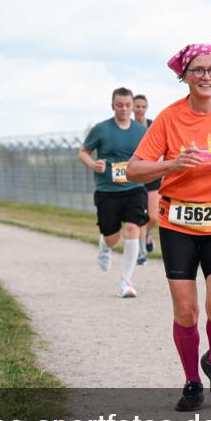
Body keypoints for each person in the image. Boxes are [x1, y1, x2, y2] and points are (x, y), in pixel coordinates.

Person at [127, 43, 211, 412]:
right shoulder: (169, 119)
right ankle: (191, 382)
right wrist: (172, 165)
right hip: (178, 222)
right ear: (184, 76)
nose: (207, 76)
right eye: (198, 70)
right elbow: (134, 168)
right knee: (186, 312)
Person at [77, 87, 149, 298]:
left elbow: (149, 155)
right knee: (112, 238)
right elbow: (83, 153)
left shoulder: (140, 131)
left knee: (132, 229)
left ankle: (125, 282)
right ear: (112, 106)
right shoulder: (101, 129)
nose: (124, 109)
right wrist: (93, 164)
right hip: (107, 190)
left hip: (134, 188)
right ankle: (104, 247)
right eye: (120, 105)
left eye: (128, 105)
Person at [133, 94, 162, 265]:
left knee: (153, 217)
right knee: (140, 217)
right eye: (137, 106)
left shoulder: (153, 126)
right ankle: (142, 252)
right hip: (137, 176)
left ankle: (147, 233)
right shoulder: (129, 128)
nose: (140, 110)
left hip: (153, 175)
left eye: (143, 106)